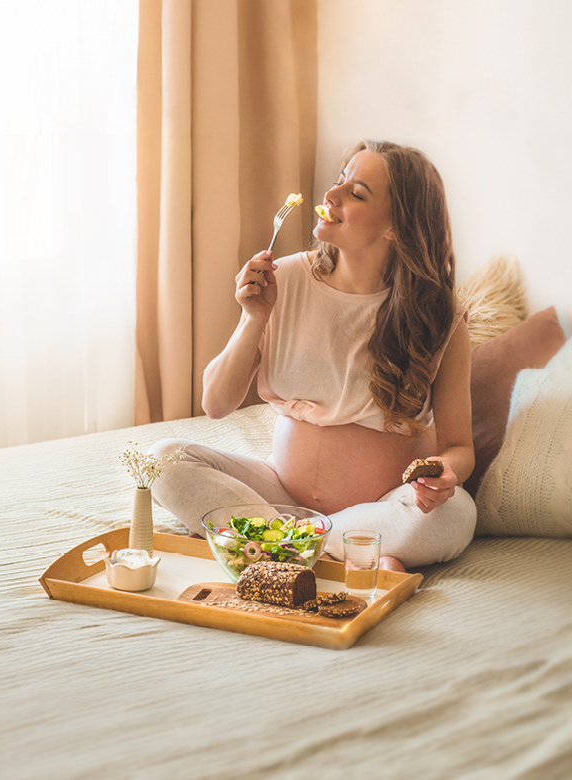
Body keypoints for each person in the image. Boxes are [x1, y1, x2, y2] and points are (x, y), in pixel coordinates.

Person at [149, 140, 476, 571]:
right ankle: (337, 549)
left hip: (383, 504)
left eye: (356, 193)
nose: (331, 196)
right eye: (339, 182)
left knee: (455, 517)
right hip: (282, 493)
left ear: (395, 226)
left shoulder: (437, 316)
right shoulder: (283, 280)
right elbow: (216, 403)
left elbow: (459, 448)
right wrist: (254, 319)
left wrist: (443, 473)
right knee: (162, 460)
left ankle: (267, 541)